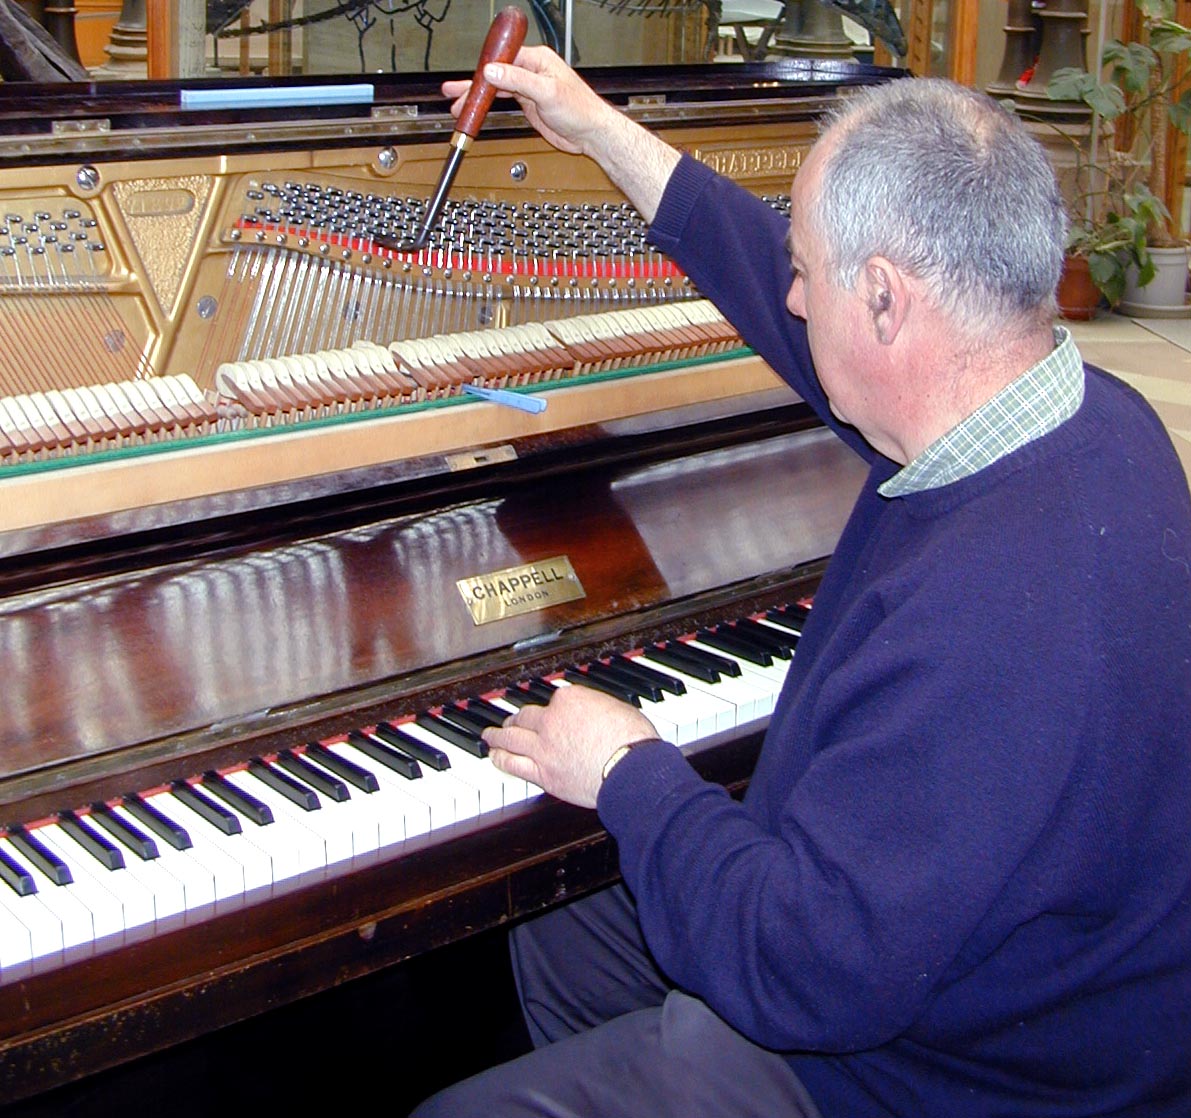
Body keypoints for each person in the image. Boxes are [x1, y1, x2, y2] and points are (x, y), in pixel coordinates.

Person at [411, 50, 1191, 1118]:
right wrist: (597, 128)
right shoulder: (1079, 413)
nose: (787, 294)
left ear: (882, 299)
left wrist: (633, 766)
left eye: (806, 271)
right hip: (953, 962)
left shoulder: (996, 614)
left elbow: (804, 967)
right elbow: (786, 310)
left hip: (931, 1069)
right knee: (561, 910)